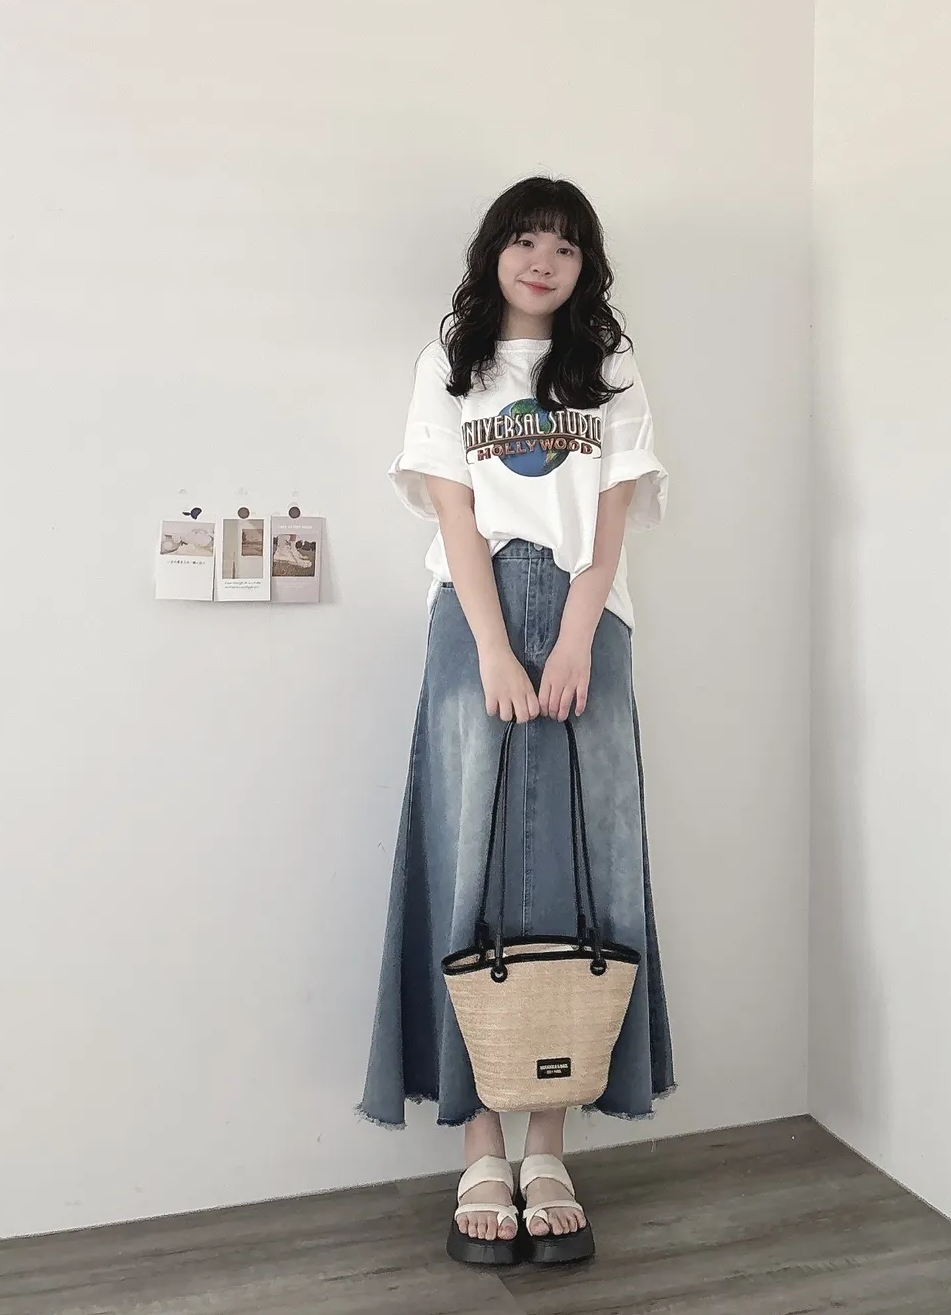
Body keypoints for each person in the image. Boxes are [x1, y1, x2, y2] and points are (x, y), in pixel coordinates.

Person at [360, 177, 674, 1266]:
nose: (543, 260)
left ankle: (550, 1143)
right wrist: (495, 646)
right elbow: (456, 514)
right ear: (494, 250)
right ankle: (481, 1144)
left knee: (586, 861)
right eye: (527, 240)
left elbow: (611, 516)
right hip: (475, 610)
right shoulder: (450, 364)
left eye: (566, 246)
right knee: (470, 854)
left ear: (587, 267)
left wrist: (577, 638)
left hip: (592, 618)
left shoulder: (611, 364)